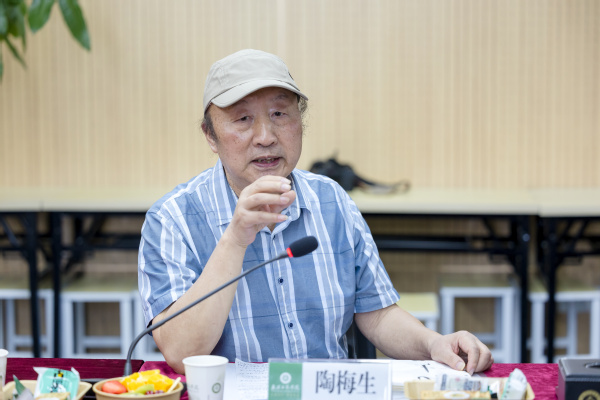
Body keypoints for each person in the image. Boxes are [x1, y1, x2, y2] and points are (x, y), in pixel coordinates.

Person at [138, 49, 493, 375]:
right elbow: (182, 353)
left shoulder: (331, 201)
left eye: (280, 114)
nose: (265, 136)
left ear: (300, 122)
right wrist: (234, 239)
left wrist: (434, 343)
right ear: (210, 135)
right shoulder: (172, 219)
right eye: (243, 118)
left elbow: (377, 315)